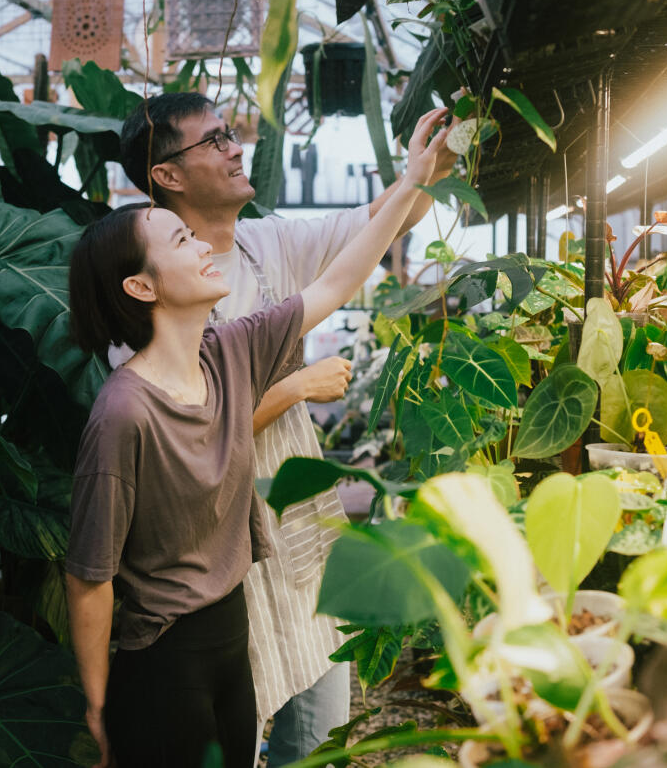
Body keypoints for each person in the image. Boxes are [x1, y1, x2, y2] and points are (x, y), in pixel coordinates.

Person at [111, 93, 456, 764]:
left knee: (319, 735)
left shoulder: (267, 245)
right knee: (233, 736)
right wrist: (294, 386)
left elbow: (374, 229)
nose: (236, 146)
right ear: (168, 176)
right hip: (212, 556)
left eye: (229, 133)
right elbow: (180, 436)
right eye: (213, 140)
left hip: (298, 528)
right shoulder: (146, 293)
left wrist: (423, 172)